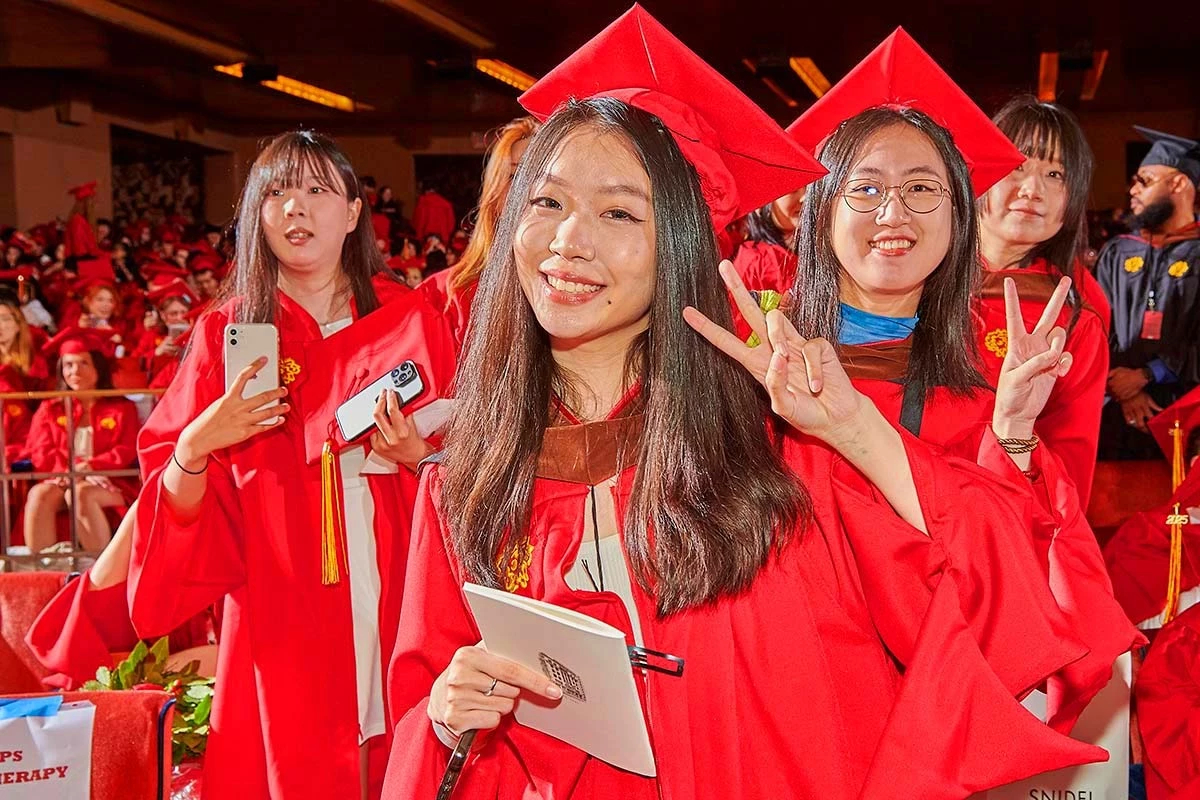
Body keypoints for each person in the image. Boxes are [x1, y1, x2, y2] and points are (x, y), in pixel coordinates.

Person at [382, 9, 1104, 799]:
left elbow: (990, 594)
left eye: (621, 212)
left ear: (687, 243)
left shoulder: (777, 459)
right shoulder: (466, 489)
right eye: (547, 203)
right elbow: (424, 716)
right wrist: (449, 719)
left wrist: (858, 429)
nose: (568, 242)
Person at [783, 27, 1138, 730]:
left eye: (921, 188)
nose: (894, 213)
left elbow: (1038, 503)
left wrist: (1010, 439)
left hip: (944, 643)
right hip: (802, 663)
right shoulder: (773, 349)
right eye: (867, 187)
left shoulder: (1037, 333)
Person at [127, 130, 455, 800]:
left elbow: (471, 450)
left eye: (315, 190)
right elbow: (175, 482)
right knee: (296, 756)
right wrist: (197, 444)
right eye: (276, 193)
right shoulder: (228, 332)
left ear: (354, 212)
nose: (295, 209)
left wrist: (418, 457)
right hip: (280, 585)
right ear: (257, 215)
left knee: (403, 738)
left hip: (393, 559)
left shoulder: (406, 314)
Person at [975, 96, 1111, 507]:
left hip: (997, 522)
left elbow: (1068, 463)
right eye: (1017, 165)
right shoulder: (906, 277)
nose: (1032, 189)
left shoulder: (1074, 316)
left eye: (1055, 173)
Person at [1097, 127, 1200, 459]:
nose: (1133, 190)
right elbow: (1093, 324)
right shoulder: (1119, 252)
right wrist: (1123, 387)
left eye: (1144, 180)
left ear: (1178, 183)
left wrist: (1147, 375)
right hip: (1114, 414)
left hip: (1186, 413)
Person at [421, 116, 539, 346]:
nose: (532, 192)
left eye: (543, 178)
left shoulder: (582, 290)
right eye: (515, 177)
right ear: (494, 194)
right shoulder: (444, 296)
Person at [23, 330, 139, 552]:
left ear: (98, 367)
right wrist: (71, 470)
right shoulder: (50, 408)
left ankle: (101, 567)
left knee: (81, 493)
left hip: (111, 480)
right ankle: (45, 568)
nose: (75, 371)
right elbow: (40, 450)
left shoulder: (122, 407)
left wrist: (91, 467)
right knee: (39, 494)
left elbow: (125, 449)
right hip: (64, 477)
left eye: (83, 363)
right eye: (68, 365)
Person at [0, 296, 49, 464]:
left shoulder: (36, 362)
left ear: (18, 324)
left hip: (26, 432)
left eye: (6, 319)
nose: (1, 325)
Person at [731, 187, 805, 293]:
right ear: (760, 202)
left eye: (809, 187)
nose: (804, 197)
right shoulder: (757, 261)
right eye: (793, 189)